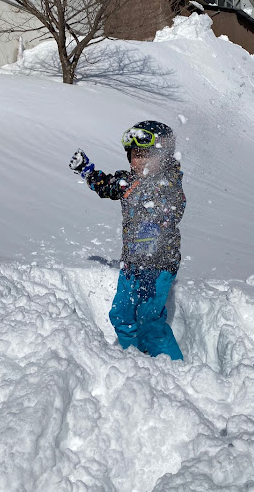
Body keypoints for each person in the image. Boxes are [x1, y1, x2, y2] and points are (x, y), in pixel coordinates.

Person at [69, 121, 185, 360]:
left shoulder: (170, 183)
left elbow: (176, 207)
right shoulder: (127, 181)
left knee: (149, 320)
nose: (138, 161)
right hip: (132, 265)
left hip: (159, 267)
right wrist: (88, 171)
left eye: (145, 155)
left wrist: (148, 197)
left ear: (163, 155)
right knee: (121, 315)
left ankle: (174, 369)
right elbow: (107, 187)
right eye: (134, 155)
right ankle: (130, 360)